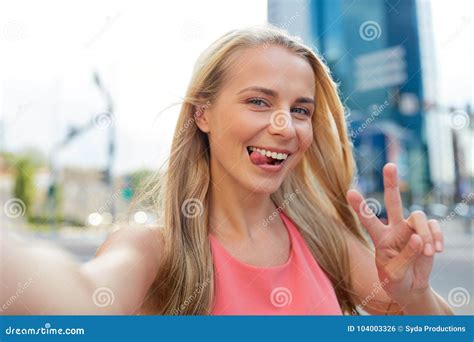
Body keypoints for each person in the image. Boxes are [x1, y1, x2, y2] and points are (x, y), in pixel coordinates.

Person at [1, 26, 453, 316]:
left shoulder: (324, 238)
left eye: (300, 110)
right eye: (259, 101)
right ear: (203, 114)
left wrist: (414, 296)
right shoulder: (155, 248)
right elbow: (76, 303)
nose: (284, 127)